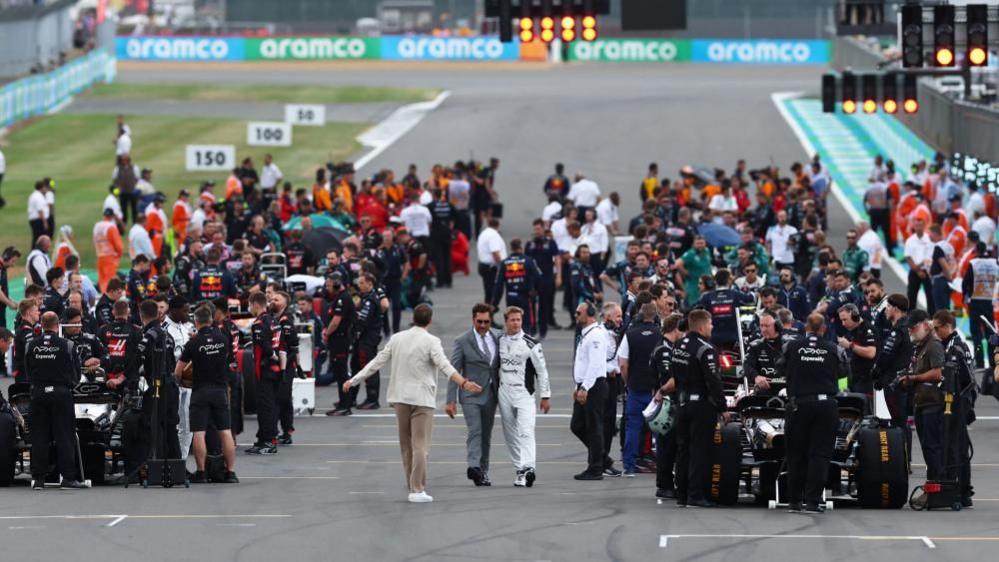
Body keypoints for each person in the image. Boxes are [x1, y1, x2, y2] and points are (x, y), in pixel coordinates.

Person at [343, 304, 482, 503]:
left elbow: (377, 362)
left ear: (413, 319)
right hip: (422, 399)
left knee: (406, 445)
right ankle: (417, 489)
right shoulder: (432, 341)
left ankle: (412, 484)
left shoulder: (397, 338)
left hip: (400, 398)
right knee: (420, 446)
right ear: (430, 321)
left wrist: (353, 379)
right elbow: (444, 365)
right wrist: (464, 383)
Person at [780, 313, 848, 513]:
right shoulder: (835, 349)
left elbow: (779, 368)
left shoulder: (790, 347)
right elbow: (845, 373)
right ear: (824, 329)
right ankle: (812, 501)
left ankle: (794, 502)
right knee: (819, 454)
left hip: (798, 405)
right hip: (825, 406)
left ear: (805, 328)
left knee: (795, 455)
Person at [175, 305, 238, 483]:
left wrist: (181, 382)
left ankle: (201, 473)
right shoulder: (223, 338)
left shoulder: (193, 342)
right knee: (225, 431)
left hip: (200, 390)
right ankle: (230, 472)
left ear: (196, 321)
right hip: (220, 390)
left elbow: (178, 370)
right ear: (211, 319)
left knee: (199, 432)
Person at [672, 309, 728, 508]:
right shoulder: (706, 348)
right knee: (699, 451)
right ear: (703, 325)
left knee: (683, 450)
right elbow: (713, 381)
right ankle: (696, 495)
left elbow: (675, 375)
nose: (712, 327)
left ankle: (682, 494)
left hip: (682, 402)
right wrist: (723, 407)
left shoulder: (678, 345)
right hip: (701, 406)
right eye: (711, 324)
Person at [25, 311, 85, 489]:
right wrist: (66, 386)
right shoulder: (67, 344)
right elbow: (77, 374)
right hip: (61, 394)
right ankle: (67, 478)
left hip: (38, 393)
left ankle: (38, 480)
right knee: (65, 436)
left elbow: (28, 371)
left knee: (39, 437)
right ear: (58, 325)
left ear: (41, 325)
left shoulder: (31, 345)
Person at [495, 306, 550, 487]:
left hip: (524, 393)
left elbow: (542, 371)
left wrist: (545, 395)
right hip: (504, 392)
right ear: (506, 321)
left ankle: (528, 468)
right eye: (512, 320)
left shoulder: (532, 343)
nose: (516, 323)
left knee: (525, 431)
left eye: (518, 319)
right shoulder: (499, 341)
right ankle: (520, 470)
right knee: (510, 434)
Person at [446, 303, 500, 486]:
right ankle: (474, 466)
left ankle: (483, 472)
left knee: (486, 435)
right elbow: (453, 370)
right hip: (470, 395)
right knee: (475, 429)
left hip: (491, 395)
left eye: (486, 322)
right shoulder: (462, 340)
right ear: (473, 319)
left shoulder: (499, 337)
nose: (483, 325)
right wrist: (450, 400)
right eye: (479, 321)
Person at [931, 310, 975, 508]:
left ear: (948, 326)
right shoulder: (945, 344)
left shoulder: (958, 347)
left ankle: (962, 491)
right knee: (950, 447)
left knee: (957, 449)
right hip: (950, 402)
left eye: (937, 328)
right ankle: (955, 487)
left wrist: (949, 390)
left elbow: (967, 379)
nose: (935, 331)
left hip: (958, 403)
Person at [616, 303, 660, 477]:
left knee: (633, 428)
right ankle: (663, 465)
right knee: (660, 429)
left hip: (636, 388)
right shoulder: (660, 333)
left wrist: (628, 382)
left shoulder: (630, 334)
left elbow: (623, 364)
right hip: (657, 390)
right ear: (655, 317)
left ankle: (629, 466)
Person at [903, 309, 946, 485]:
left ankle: (938, 484)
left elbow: (938, 373)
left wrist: (914, 378)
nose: (910, 331)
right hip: (922, 402)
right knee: (927, 447)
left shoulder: (933, 345)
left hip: (932, 403)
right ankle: (933, 484)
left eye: (913, 328)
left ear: (924, 325)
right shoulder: (921, 346)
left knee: (932, 447)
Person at [569, 301, 610, 481]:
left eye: (579, 313)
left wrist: (585, 387)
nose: (576, 316)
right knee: (577, 425)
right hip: (584, 384)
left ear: (590, 314)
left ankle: (595, 467)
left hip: (593, 385)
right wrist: (577, 386)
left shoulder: (595, 336)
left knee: (594, 427)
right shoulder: (587, 334)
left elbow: (595, 364)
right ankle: (601, 457)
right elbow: (583, 363)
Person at [163, 296, 194, 459]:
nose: (187, 313)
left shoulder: (188, 327)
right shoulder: (164, 329)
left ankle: (181, 462)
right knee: (171, 424)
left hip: (188, 383)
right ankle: (170, 460)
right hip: (171, 383)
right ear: (174, 310)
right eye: (184, 310)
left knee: (187, 425)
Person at [695, 269, 754, 351]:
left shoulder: (707, 297)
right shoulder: (735, 294)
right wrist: (754, 292)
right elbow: (751, 298)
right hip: (734, 338)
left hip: (713, 339)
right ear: (728, 280)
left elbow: (695, 308)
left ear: (715, 281)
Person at [491, 238, 541, 335]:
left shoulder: (504, 263)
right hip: (526, 297)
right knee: (526, 322)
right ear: (521, 247)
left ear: (511, 248)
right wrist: (536, 291)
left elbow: (498, 285)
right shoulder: (528, 261)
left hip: (511, 297)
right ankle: (527, 341)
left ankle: (513, 341)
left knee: (513, 321)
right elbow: (538, 277)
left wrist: (495, 303)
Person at [323, 273, 356, 416]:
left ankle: (345, 405)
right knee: (339, 372)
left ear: (336, 284)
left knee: (341, 373)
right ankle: (343, 402)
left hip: (340, 340)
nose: (327, 288)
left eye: (329, 285)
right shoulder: (339, 297)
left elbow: (336, 321)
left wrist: (326, 333)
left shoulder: (343, 298)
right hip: (337, 340)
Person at [962, 243, 998, 368]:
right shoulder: (995, 263)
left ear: (976, 250)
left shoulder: (974, 263)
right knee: (990, 332)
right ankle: (993, 361)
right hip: (989, 301)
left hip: (975, 301)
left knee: (976, 333)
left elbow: (965, 282)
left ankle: (980, 362)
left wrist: (964, 296)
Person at [525, 219, 562, 339]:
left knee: (544, 305)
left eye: (538, 229)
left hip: (547, 278)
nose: (536, 231)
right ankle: (532, 328)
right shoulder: (529, 244)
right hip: (533, 279)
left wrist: (559, 276)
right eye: (535, 229)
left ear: (543, 229)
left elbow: (557, 259)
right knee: (531, 304)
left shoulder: (550, 243)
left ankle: (543, 329)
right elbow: (525, 262)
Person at [269, 291, 298, 443]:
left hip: (285, 367)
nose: (272, 301)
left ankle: (286, 432)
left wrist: (285, 368)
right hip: (276, 365)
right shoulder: (273, 318)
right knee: (279, 399)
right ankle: (283, 431)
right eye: (272, 299)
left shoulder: (286, 321)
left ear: (285, 303)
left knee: (283, 399)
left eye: (276, 299)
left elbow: (293, 347)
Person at [836, 303, 878, 396]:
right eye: (841, 320)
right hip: (851, 378)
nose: (843, 324)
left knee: (863, 407)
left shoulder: (868, 329)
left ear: (854, 315)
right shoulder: (851, 332)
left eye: (845, 319)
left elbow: (871, 353)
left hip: (865, 380)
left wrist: (850, 345)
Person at [743, 311, 784, 394]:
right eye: (761, 326)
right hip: (764, 389)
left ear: (777, 326)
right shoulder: (755, 346)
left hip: (786, 389)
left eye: (767, 326)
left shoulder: (790, 344)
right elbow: (747, 365)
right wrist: (756, 376)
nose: (764, 329)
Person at [904, 217, 936, 313]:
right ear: (914, 226)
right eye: (917, 225)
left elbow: (931, 256)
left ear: (924, 226)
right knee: (911, 296)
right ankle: (910, 317)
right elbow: (908, 257)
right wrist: (917, 270)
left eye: (921, 225)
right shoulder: (910, 240)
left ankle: (932, 318)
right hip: (914, 272)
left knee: (931, 297)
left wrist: (923, 267)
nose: (919, 227)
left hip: (927, 271)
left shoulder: (929, 240)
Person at [476, 218, 506, 308]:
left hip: (484, 265)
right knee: (495, 292)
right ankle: (491, 313)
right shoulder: (493, 235)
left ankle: (489, 316)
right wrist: (502, 266)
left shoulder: (484, 233)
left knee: (489, 292)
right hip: (491, 268)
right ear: (497, 226)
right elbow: (495, 252)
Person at [0, 247, 19, 330]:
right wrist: (10, 303)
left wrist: (11, 300)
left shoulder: (2, 268)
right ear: (6, 257)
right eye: (13, 261)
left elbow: (2, 290)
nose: (13, 265)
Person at [27, 180, 50, 245]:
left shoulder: (34, 195)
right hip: (38, 220)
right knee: (38, 238)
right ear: (41, 188)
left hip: (36, 220)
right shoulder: (38, 196)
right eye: (45, 187)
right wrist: (45, 222)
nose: (46, 189)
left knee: (37, 237)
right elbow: (40, 210)